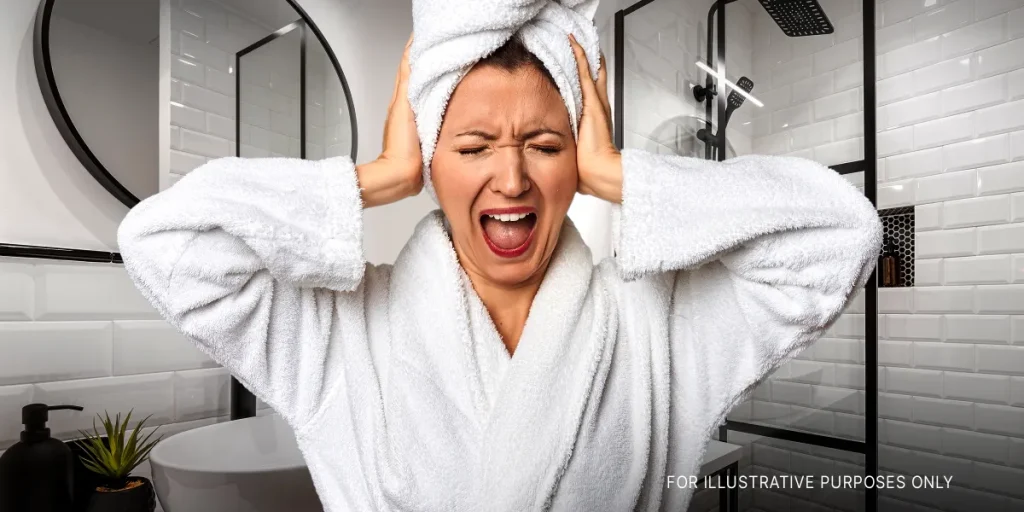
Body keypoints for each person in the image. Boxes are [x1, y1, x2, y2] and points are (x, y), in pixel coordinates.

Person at [119, 33, 881, 512]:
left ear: (576, 167)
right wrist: (379, 175)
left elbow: (841, 232)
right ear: (431, 167)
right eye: (473, 147)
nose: (512, 179)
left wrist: (622, 174)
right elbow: (166, 242)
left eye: (546, 147)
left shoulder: (658, 326)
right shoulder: (341, 332)